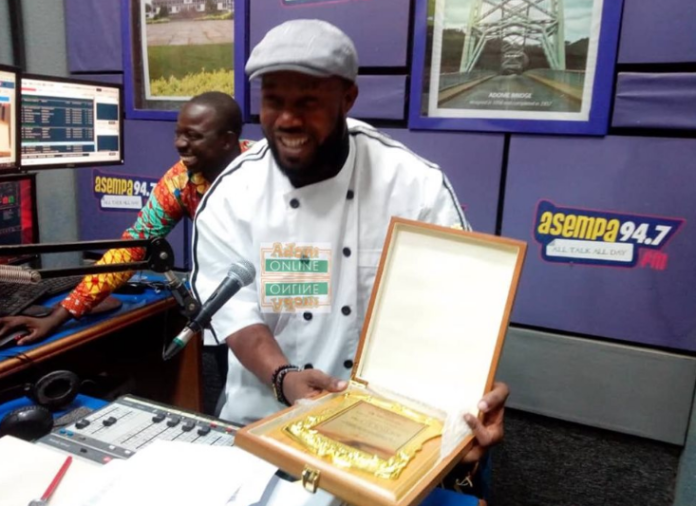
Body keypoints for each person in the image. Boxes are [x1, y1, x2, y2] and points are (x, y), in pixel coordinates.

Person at [192, 20, 508, 465]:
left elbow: (456, 311)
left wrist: (472, 394)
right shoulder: (233, 195)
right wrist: (283, 378)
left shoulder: (414, 186)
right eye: (273, 101)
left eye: (308, 102)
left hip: (389, 429)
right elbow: (235, 312)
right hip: (262, 419)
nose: (287, 120)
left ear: (348, 99)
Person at [0, 91, 251, 345]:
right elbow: (133, 248)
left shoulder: (270, 172)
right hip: (229, 315)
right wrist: (58, 317)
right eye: (178, 134)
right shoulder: (180, 181)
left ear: (227, 141)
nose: (180, 144)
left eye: (193, 136)